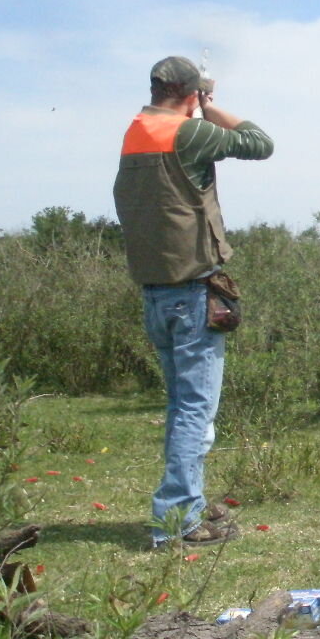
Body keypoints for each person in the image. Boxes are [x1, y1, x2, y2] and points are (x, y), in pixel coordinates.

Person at [113, 56, 274, 548]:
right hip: (191, 293)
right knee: (194, 412)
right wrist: (212, 108)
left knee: (182, 407)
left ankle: (190, 505)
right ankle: (176, 521)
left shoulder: (136, 131)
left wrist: (195, 106)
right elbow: (259, 144)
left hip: (155, 292)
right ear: (189, 94)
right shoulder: (190, 133)